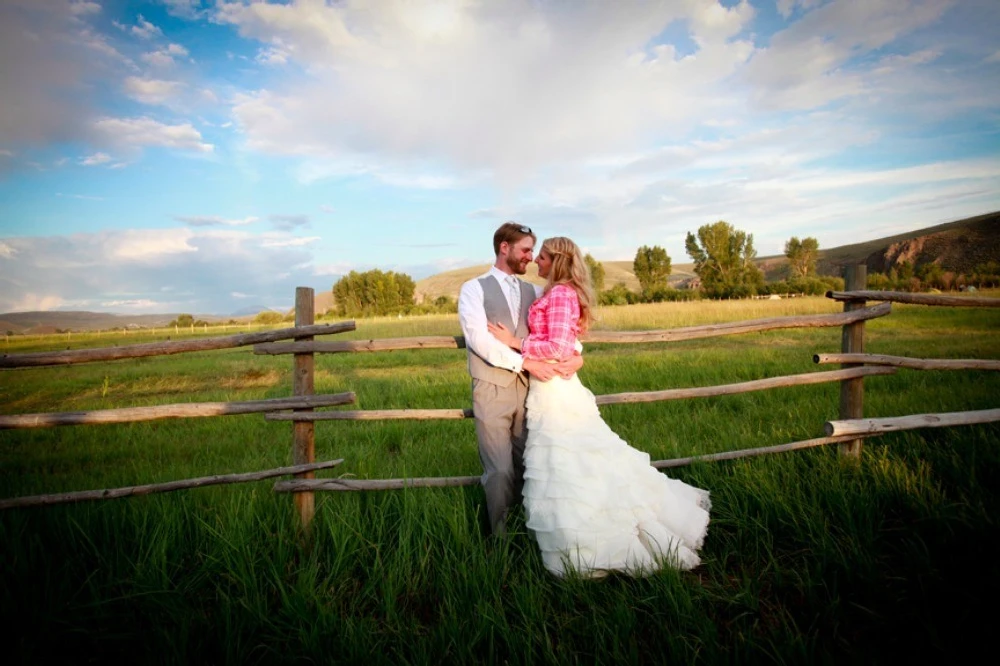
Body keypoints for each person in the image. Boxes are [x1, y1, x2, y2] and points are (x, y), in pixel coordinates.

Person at [487, 236, 711, 577]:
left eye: (543, 257)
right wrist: (574, 355)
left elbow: (560, 345)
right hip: (547, 388)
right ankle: (576, 543)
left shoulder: (561, 293)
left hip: (557, 391)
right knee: (565, 465)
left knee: (572, 461)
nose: (537, 262)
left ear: (557, 260)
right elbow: (570, 344)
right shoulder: (554, 292)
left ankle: (598, 540)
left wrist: (514, 342)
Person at [458, 223, 584, 537]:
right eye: (526, 250)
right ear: (504, 247)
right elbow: (479, 340)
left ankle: (533, 533)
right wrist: (523, 361)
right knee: (500, 471)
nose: (530, 257)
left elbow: (561, 330)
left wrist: (579, 354)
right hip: (492, 389)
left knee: (533, 467)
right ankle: (500, 540)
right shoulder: (474, 288)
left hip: (535, 391)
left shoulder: (537, 292)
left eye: (533, 252)